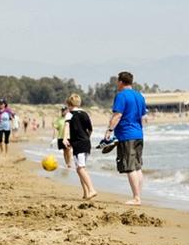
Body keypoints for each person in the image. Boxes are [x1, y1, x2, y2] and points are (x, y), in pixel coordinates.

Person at [104, 71, 147, 205]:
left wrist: (109, 130)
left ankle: (136, 198)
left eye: (118, 81)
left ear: (121, 82)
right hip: (138, 134)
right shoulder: (139, 96)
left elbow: (117, 115)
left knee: (129, 167)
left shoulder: (121, 96)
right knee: (138, 167)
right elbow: (144, 117)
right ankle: (138, 196)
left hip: (127, 135)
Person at [63, 94, 97, 200]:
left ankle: (91, 190)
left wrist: (65, 138)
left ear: (69, 104)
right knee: (81, 168)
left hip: (78, 144)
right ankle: (86, 193)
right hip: (86, 143)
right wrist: (86, 138)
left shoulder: (69, 114)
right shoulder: (85, 114)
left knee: (80, 168)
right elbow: (90, 129)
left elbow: (67, 126)